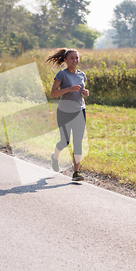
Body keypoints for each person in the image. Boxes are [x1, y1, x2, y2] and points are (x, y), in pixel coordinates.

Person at [46, 48, 89, 181]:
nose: (75, 60)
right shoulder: (61, 75)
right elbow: (53, 93)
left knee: (78, 142)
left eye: (77, 58)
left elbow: (80, 91)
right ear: (65, 60)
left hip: (79, 111)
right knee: (65, 141)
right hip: (64, 112)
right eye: (72, 58)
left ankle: (76, 172)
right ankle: (55, 157)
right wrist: (69, 89)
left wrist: (85, 92)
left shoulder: (82, 75)